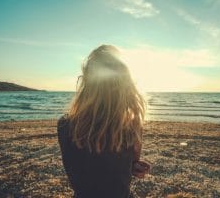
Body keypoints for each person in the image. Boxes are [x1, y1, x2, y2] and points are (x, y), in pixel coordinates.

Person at [57, 45, 150, 198]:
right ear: (125, 85)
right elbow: (123, 168)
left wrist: (127, 166)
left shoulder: (65, 125)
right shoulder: (132, 126)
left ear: (87, 82)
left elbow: (80, 170)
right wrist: (133, 167)